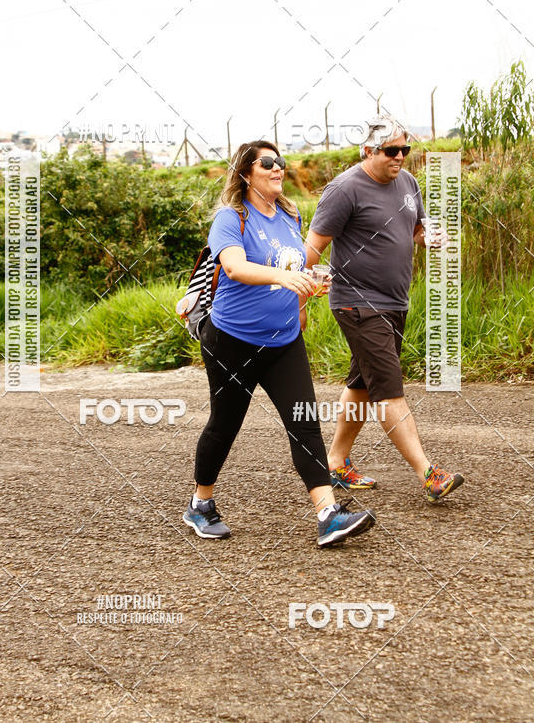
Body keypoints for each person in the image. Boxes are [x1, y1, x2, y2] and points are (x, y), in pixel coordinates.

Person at [183, 140, 376, 546]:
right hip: (233, 341)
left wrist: (305, 294)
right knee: (225, 424)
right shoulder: (230, 218)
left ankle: (328, 516)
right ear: (245, 173)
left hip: (284, 340)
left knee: (305, 421)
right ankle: (201, 504)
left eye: (280, 162)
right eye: (267, 162)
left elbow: (296, 267)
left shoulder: (290, 215)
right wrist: (281, 278)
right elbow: (234, 267)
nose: (277, 168)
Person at [305, 116, 464, 503]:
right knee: (389, 391)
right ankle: (429, 474)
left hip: (394, 301)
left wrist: (429, 236)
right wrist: (295, 289)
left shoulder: (408, 183)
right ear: (368, 151)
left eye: (405, 150)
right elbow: (312, 248)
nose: (400, 158)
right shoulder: (344, 189)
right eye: (391, 151)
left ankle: (336, 463)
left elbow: (413, 229)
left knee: (361, 384)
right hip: (357, 303)